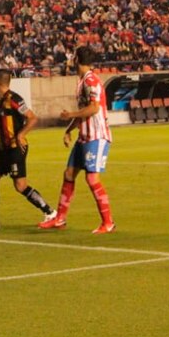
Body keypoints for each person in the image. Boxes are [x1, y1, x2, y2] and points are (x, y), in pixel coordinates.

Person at [40, 46, 115, 234]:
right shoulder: (82, 81)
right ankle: (60, 219)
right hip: (84, 136)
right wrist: (69, 129)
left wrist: (70, 115)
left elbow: (94, 108)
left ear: (76, 60)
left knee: (91, 178)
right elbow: (84, 111)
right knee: (69, 174)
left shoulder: (91, 81)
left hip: (96, 136)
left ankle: (108, 222)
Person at [0, 70, 55, 231]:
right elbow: (0, 120)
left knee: (20, 185)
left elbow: (32, 117)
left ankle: (50, 212)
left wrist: (21, 134)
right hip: (3, 148)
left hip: (15, 148)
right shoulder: (1, 101)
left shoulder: (14, 99)